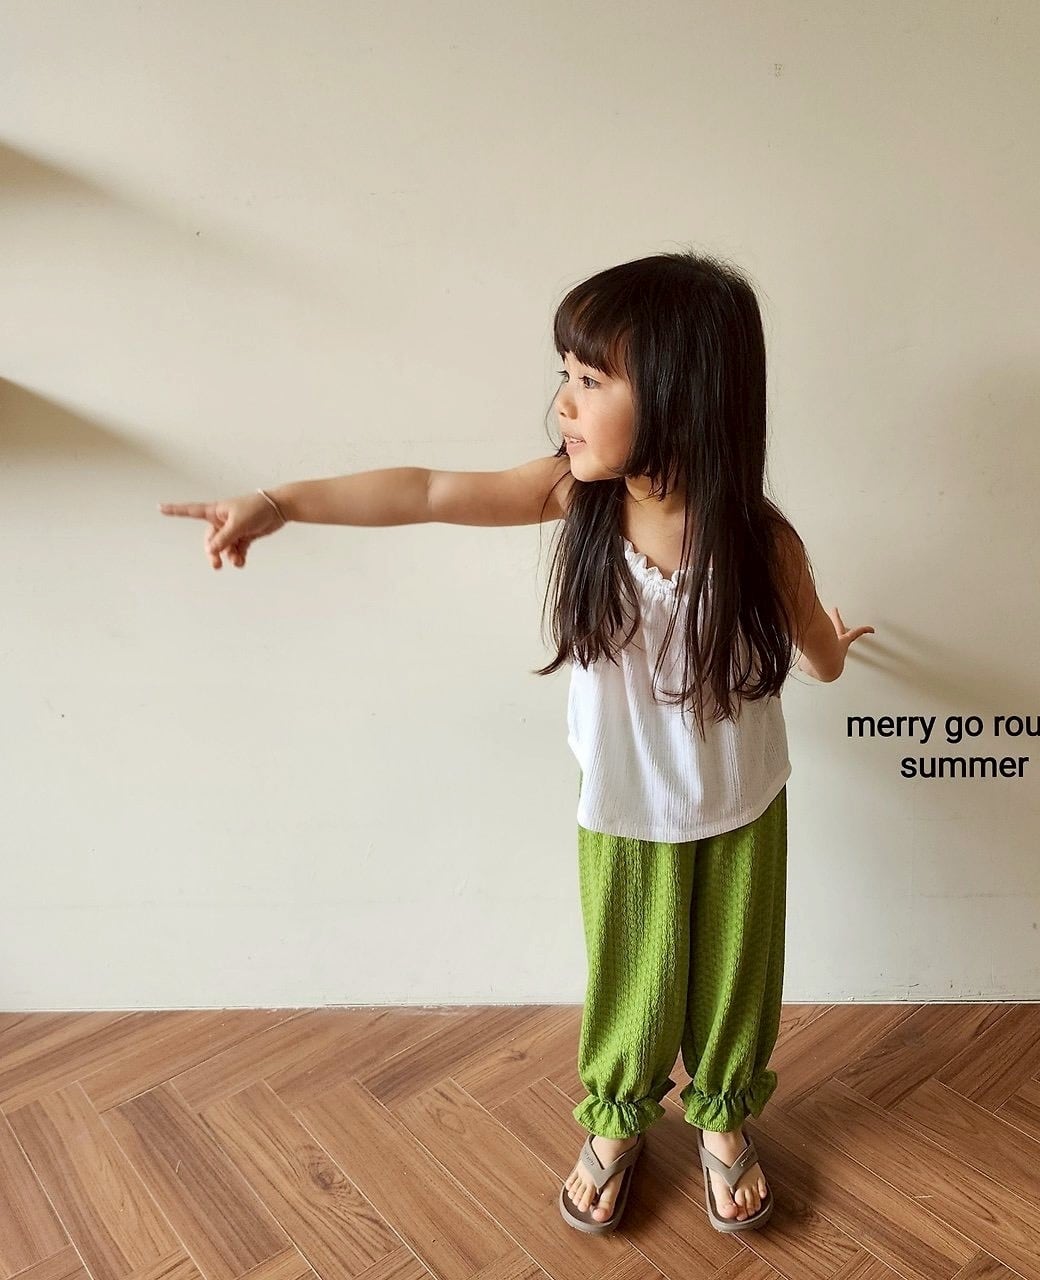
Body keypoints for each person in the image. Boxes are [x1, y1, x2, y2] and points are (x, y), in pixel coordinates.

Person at [158, 249, 873, 1235]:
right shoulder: (578, 500)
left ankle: (721, 1117)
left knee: (734, 978)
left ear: (686, 394)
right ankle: (616, 1121)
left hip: (746, 802)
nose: (562, 404)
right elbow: (428, 490)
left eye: (591, 380)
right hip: (626, 809)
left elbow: (817, 656)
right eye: (565, 375)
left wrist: (832, 643)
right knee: (632, 980)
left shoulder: (760, 542)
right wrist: (280, 502)